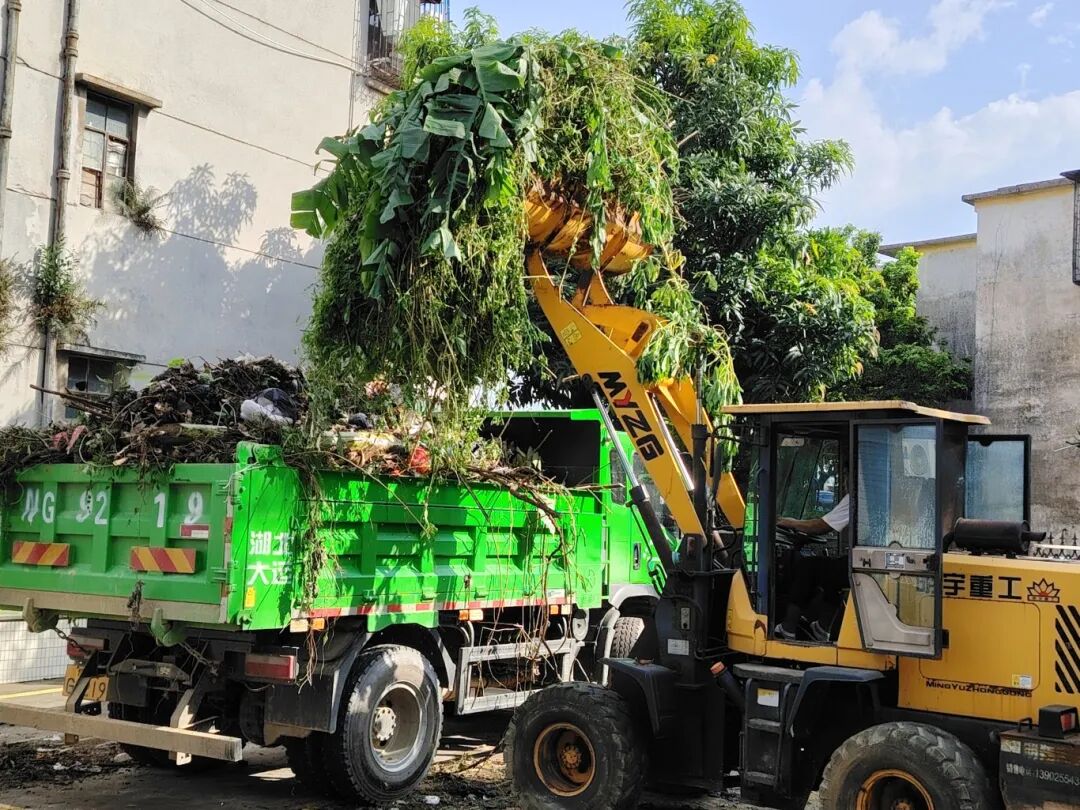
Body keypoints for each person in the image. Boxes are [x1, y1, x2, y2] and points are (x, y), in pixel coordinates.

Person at [774, 494, 850, 641]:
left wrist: (789, 522)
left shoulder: (858, 494)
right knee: (830, 576)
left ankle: (787, 629)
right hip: (866, 561)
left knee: (808, 566)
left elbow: (820, 526)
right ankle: (822, 629)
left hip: (863, 564)